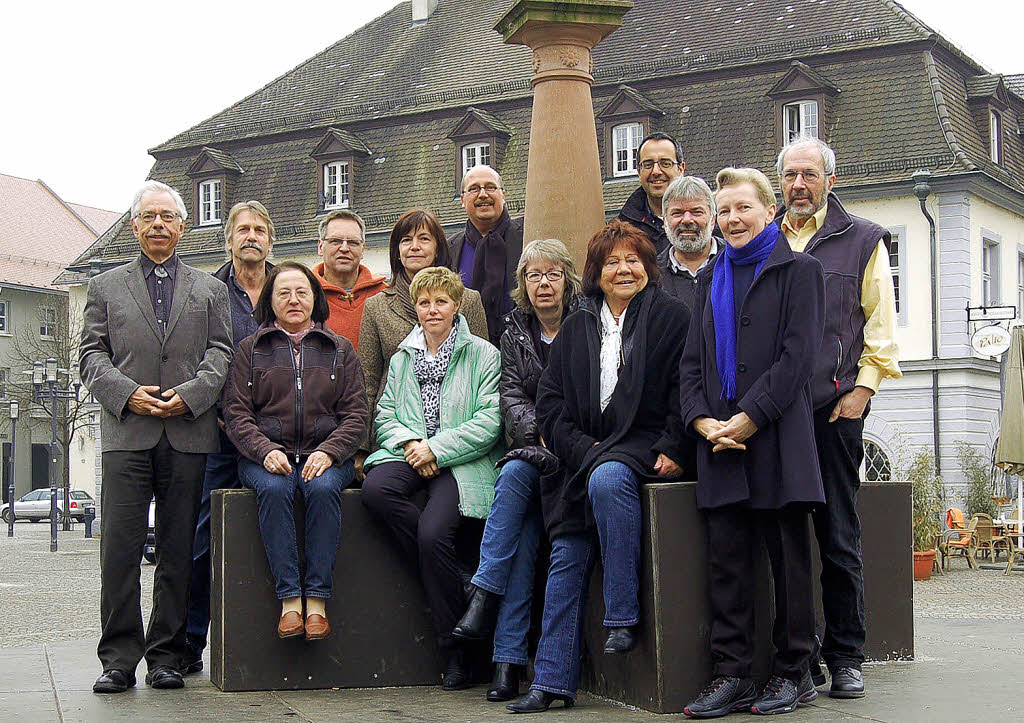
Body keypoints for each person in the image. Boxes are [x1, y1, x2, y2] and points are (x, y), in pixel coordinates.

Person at [507, 220, 692, 713]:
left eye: (633, 260)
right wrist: (582, 451)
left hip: (642, 445)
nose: (623, 269)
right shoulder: (577, 323)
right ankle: (550, 681)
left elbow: (685, 389)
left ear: (648, 267)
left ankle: (622, 615)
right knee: (567, 553)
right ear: (596, 272)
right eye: (612, 261)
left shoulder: (672, 317)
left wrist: (674, 444)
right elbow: (550, 405)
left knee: (611, 479)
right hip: (582, 454)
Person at [679, 168, 825, 718]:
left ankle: (795, 672)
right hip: (718, 445)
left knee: (788, 564)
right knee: (728, 565)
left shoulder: (800, 270)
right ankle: (732, 675)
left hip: (776, 439)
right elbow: (691, 367)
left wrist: (748, 419)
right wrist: (701, 423)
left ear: (769, 211)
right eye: (724, 211)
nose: (732, 219)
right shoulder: (709, 277)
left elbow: (797, 362)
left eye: (743, 208)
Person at [80, 180, 232, 693]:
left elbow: (221, 354)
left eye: (168, 217)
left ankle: (167, 654)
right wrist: (126, 393)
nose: (159, 225)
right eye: (149, 217)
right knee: (119, 550)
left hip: (188, 433)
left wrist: (192, 394)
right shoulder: (105, 287)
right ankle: (119, 659)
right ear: (134, 226)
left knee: (178, 549)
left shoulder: (211, 289)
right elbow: (91, 356)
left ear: (183, 226)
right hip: (128, 432)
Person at [775, 136, 901, 699]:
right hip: (775, 413)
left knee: (838, 536)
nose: (799, 186)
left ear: (830, 179)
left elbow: (880, 328)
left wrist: (862, 393)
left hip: (834, 412)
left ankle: (847, 655)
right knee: (783, 539)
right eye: (790, 176)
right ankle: (795, 658)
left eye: (809, 175)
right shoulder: (762, 238)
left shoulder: (863, 241)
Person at [451, 239, 582, 702]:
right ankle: (506, 661)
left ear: (567, 278)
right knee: (522, 536)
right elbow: (511, 396)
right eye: (533, 275)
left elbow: (591, 394)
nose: (543, 283)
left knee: (514, 480)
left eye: (552, 274)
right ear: (522, 285)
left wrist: (557, 434)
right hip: (534, 448)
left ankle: (483, 597)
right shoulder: (513, 330)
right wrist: (539, 433)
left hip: (574, 457)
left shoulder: (587, 323)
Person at [361, 266, 503, 691]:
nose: (432, 309)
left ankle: (455, 650)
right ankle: (461, 577)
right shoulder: (404, 356)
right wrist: (410, 445)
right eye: (425, 302)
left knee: (432, 533)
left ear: (457, 305)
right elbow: (385, 413)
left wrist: (437, 449)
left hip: (461, 458)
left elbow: (489, 422)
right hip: (409, 452)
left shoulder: (483, 354)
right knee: (376, 491)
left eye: (441, 301)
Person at [223, 261, 368, 640]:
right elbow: (237, 414)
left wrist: (330, 452)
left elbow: (356, 415)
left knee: (321, 489)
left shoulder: (340, 349)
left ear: (314, 299)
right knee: (274, 489)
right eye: (283, 293)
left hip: (326, 454)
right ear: (270, 301)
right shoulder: (249, 350)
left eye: (301, 292)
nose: (293, 300)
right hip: (266, 455)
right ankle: (289, 599)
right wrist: (264, 450)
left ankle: (317, 599)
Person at [183, 200, 275, 674]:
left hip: (280, 440)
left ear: (271, 239)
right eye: (243, 229)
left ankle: (265, 643)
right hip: (217, 435)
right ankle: (190, 644)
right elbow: (197, 359)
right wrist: (220, 413)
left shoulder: (287, 285)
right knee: (202, 542)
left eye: (260, 229)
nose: (251, 236)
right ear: (229, 239)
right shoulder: (207, 291)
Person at [359, 209, 489, 448]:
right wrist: (361, 448)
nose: (414, 246)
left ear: (439, 248)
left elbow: (481, 371)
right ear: (397, 252)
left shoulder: (469, 301)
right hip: (395, 433)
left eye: (424, 238)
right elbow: (368, 381)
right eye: (406, 240)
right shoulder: (376, 307)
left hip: (457, 433)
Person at [449, 165, 523, 345]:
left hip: (523, 354)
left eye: (490, 187)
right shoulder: (449, 249)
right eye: (474, 188)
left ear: (503, 195)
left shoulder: (527, 236)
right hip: (468, 354)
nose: (483, 194)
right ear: (462, 199)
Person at [312, 208, 386, 350]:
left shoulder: (384, 295)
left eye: (352, 242)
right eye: (336, 241)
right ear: (321, 247)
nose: (344, 248)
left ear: (363, 249)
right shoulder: (305, 297)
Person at [658, 175, 719, 311]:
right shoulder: (652, 275)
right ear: (665, 222)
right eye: (677, 213)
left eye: (696, 212)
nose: (686, 220)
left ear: (713, 220)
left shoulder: (734, 262)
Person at [617, 132, 685, 254]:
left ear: (681, 169)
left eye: (665, 164)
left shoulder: (707, 222)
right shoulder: (623, 230)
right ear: (639, 172)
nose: (656, 171)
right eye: (648, 165)